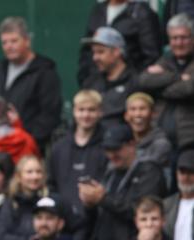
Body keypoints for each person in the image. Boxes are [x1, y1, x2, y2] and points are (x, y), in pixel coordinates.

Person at [0, 17, 62, 149]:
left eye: (14, 41)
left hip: (28, 150)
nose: (9, 46)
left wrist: (25, 139)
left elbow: (49, 116)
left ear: (27, 41)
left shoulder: (45, 72)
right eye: (4, 43)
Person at [137, 14, 194, 150]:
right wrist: (178, 78)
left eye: (184, 38)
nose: (179, 43)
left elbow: (189, 89)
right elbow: (144, 80)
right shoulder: (166, 60)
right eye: (174, 38)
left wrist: (160, 87)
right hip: (160, 139)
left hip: (189, 142)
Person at [47, 90, 109, 212]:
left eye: (91, 110)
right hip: (64, 218)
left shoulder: (108, 147)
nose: (86, 115)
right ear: (74, 111)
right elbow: (51, 184)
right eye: (81, 110)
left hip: (98, 218)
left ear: (100, 112)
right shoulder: (59, 148)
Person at [78, 0, 161, 85]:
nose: (95, 57)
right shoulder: (98, 10)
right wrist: (85, 79)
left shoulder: (141, 12)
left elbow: (152, 56)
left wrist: (135, 82)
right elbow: (87, 51)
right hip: (97, 84)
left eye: (100, 52)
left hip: (130, 84)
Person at [0, 155, 54, 240]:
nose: (35, 176)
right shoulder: (10, 203)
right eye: (29, 172)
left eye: (38, 171)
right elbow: (2, 238)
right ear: (19, 176)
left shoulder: (51, 201)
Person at [81, 27, 137, 126]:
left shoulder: (134, 81)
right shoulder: (91, 82)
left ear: (116, 51)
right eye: (94, 52)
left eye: (100, 52)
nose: (95, 58)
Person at [124, 92, 172, 170]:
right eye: (133, 109)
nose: (137, 114)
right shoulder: (122, 142)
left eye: (142, 109)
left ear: (153, 114)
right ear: (126, 115)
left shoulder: (161, 144)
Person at [164, 150, 194, 240]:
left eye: (191, 172)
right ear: (176, 174)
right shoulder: (166, 205)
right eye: (182, 172)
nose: (186, 177)